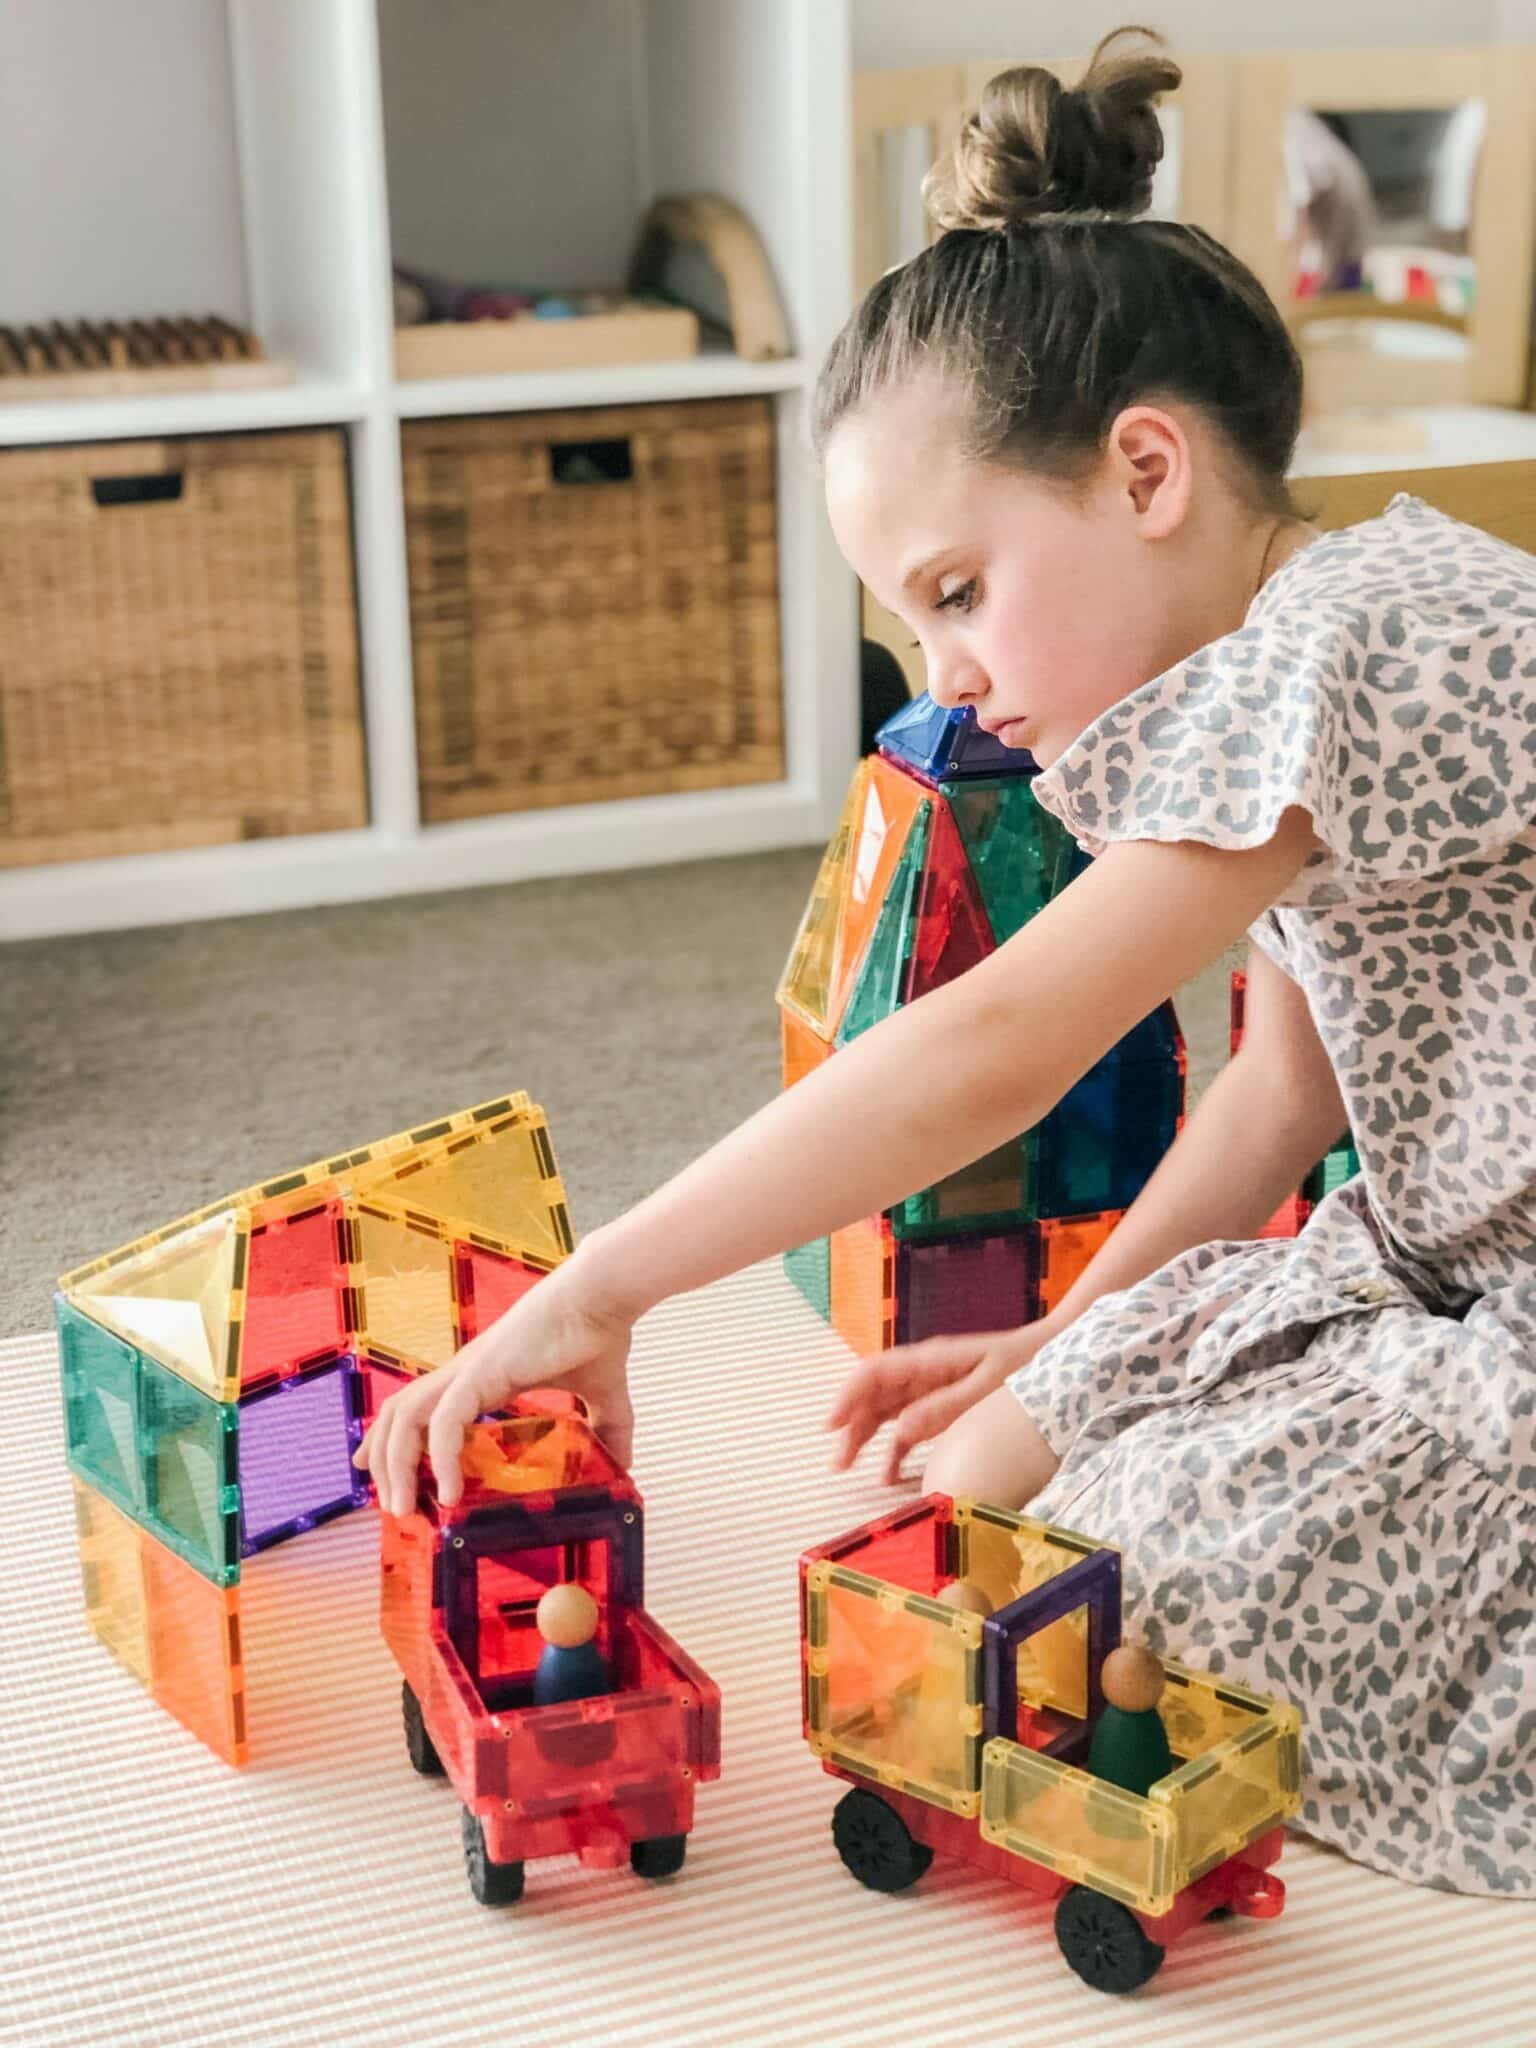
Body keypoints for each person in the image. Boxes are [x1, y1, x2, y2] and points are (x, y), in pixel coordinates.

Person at [358, 30, 1536, 1899]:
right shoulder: (1292, 667)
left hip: (1505, 1307)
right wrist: (1075, 1333)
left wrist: (602, 1290)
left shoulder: (1357, 643)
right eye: (912, 622)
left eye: (957, 591)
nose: (946, 680)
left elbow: (995, 1047)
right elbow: (1279, 1095)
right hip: (1436, 1260)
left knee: (1122, 1585)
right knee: (1015, 1456)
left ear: (1146, 468)